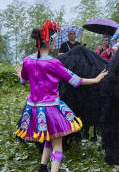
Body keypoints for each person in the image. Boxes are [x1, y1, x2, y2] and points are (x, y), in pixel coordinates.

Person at [14, 20, 108, 172]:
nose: (56, 44)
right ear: (50, 42)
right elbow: (75, 81)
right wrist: (96, 79)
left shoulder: (27, 60)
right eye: (55, 41)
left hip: (33, 109)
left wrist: (20, 74)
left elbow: (23, 81)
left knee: (49, 137)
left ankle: (43, 166)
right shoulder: (54, 63)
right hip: (51, 109)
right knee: (58, 144)